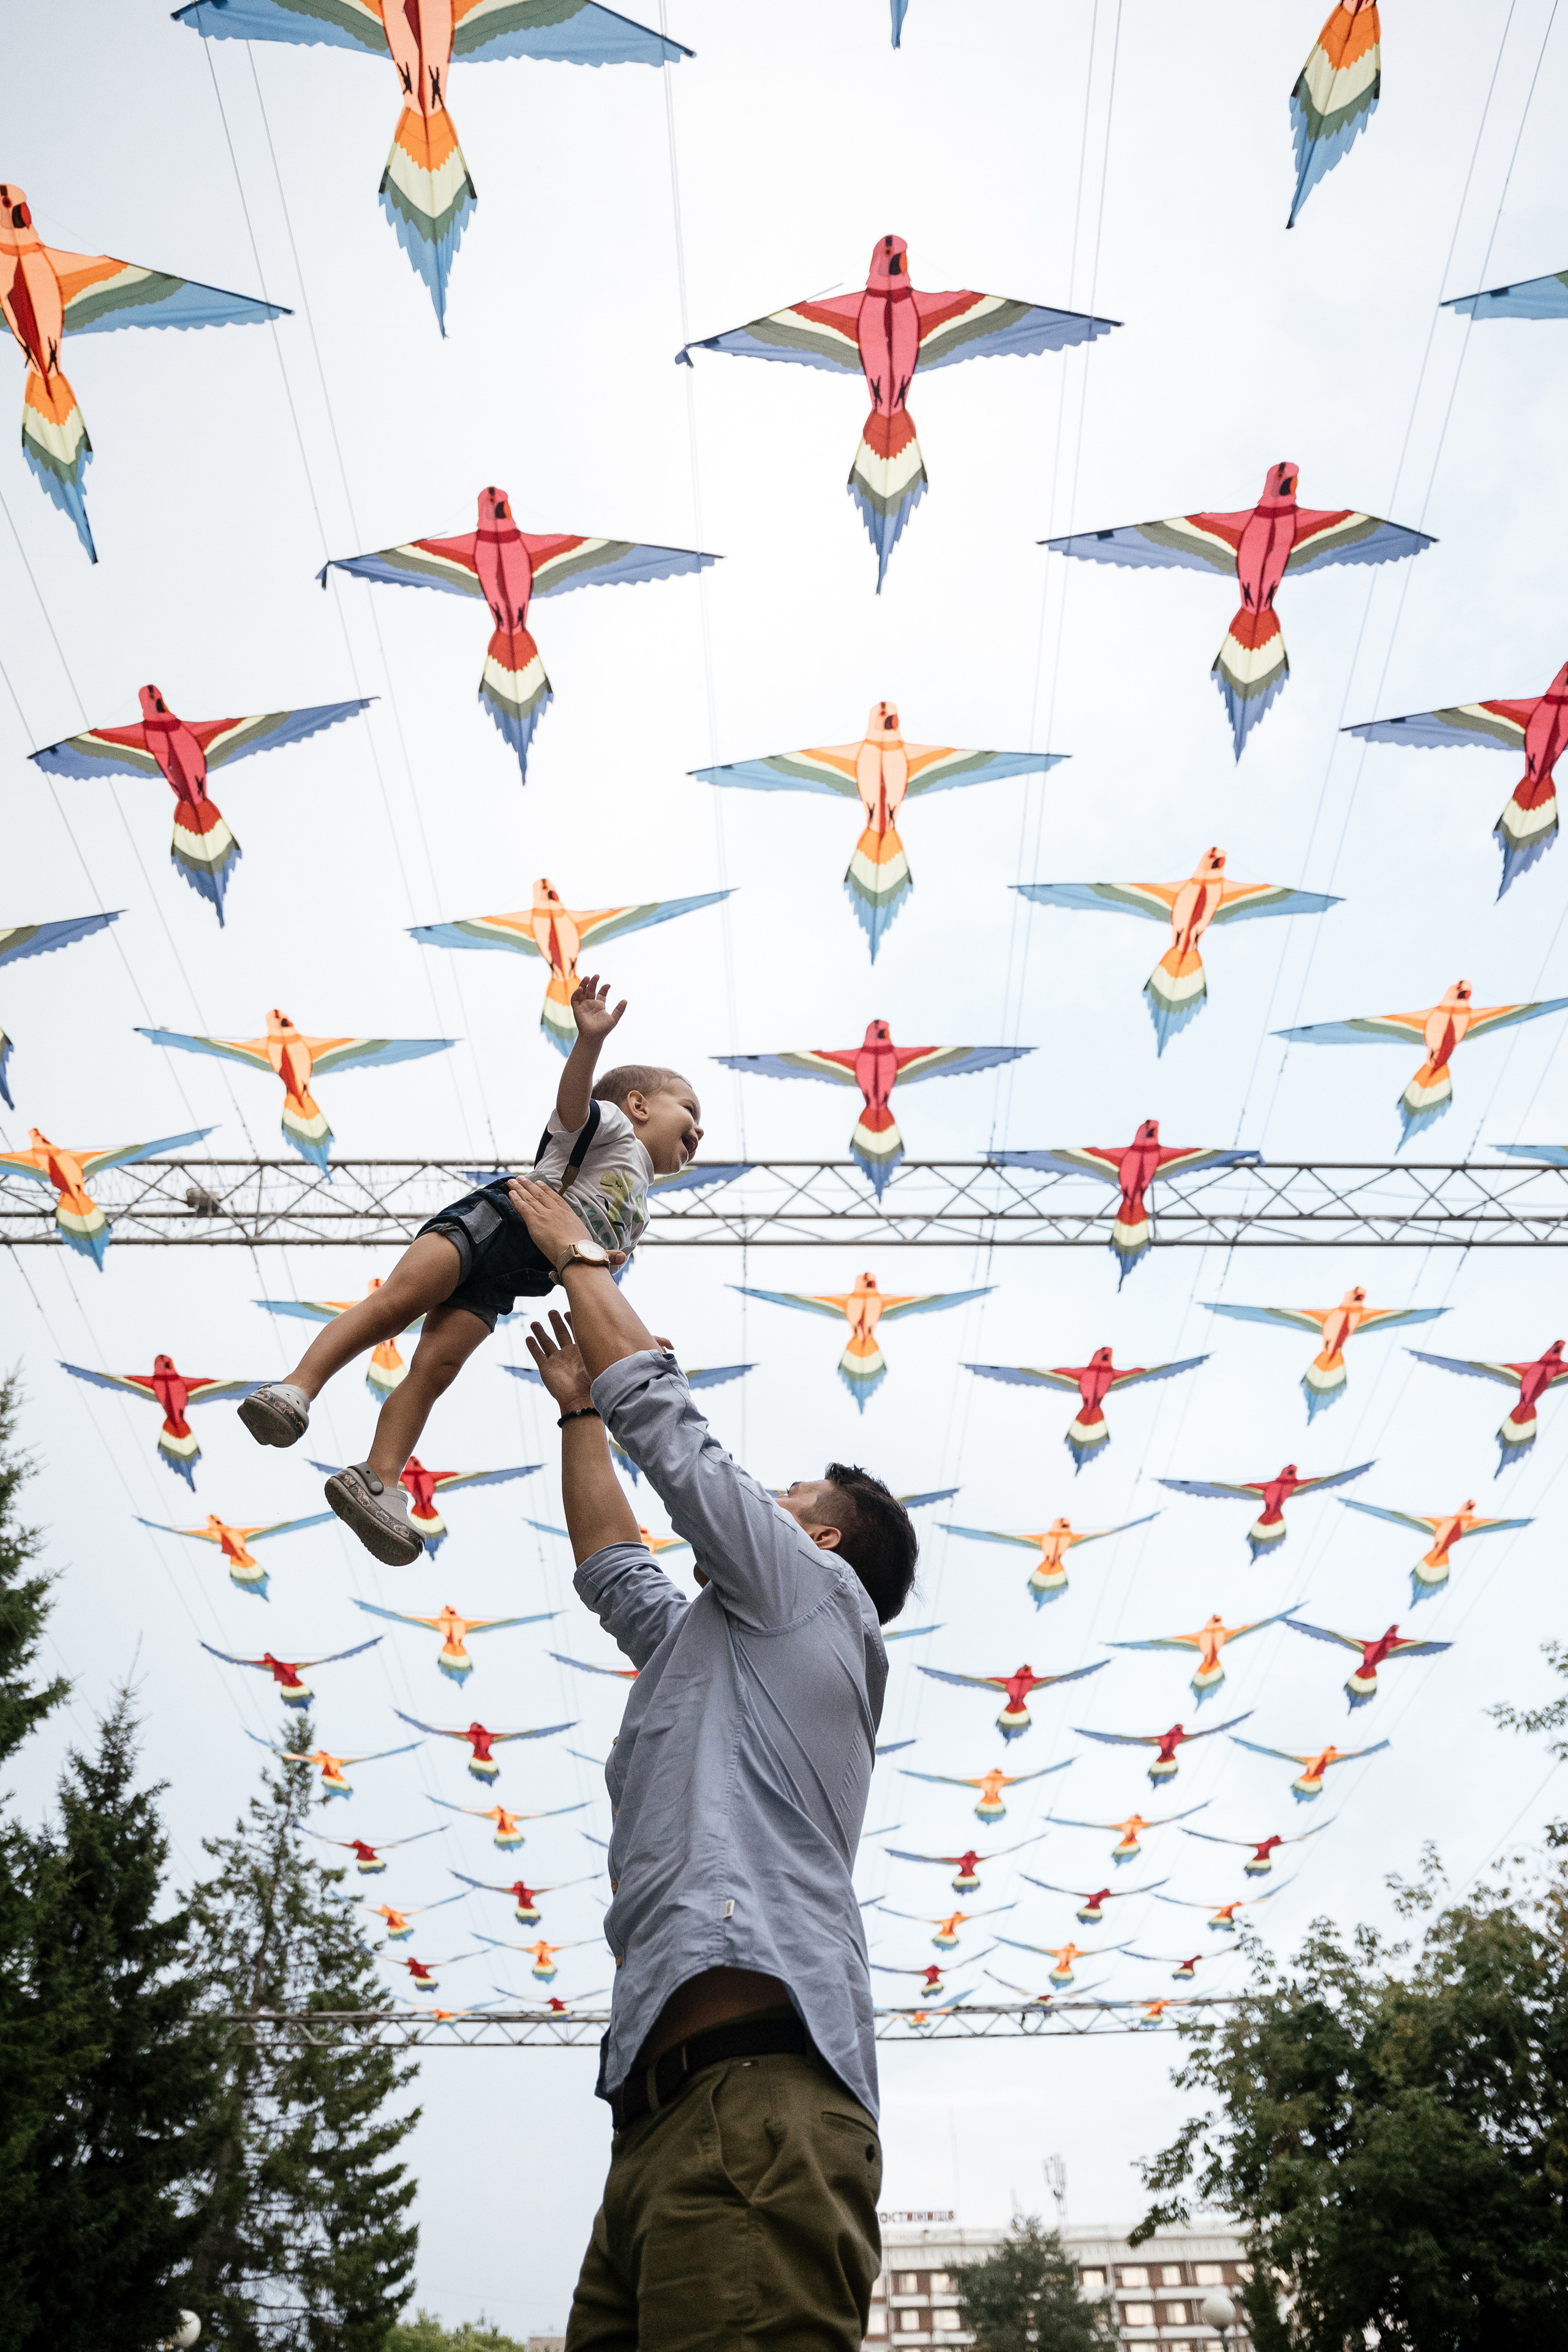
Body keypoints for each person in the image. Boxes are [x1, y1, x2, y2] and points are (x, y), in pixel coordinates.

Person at [514, 1168, 918, 2352]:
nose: (760, 1500)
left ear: (823, 1536)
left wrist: (579, 1254)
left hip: (758, 2110)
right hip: (658, 2124)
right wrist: (578, 1414)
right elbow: (614, 1571)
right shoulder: (716, 1643)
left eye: (784, 1494)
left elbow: (676, 1436)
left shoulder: (815, 1593)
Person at [235, 978, 703, 1566]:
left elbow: (591, 1282)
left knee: (438, 1367)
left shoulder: (638, 1214)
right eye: (690, 1110)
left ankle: (378, 1478)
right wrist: (589, 1043)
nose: (699, 1130)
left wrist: (629, 1338)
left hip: (515, 1277)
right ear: (638, 1106)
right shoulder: (610, 1128)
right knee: (396, 1304)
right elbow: (573, 1107)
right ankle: (297, 1388)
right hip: (496, 1224)